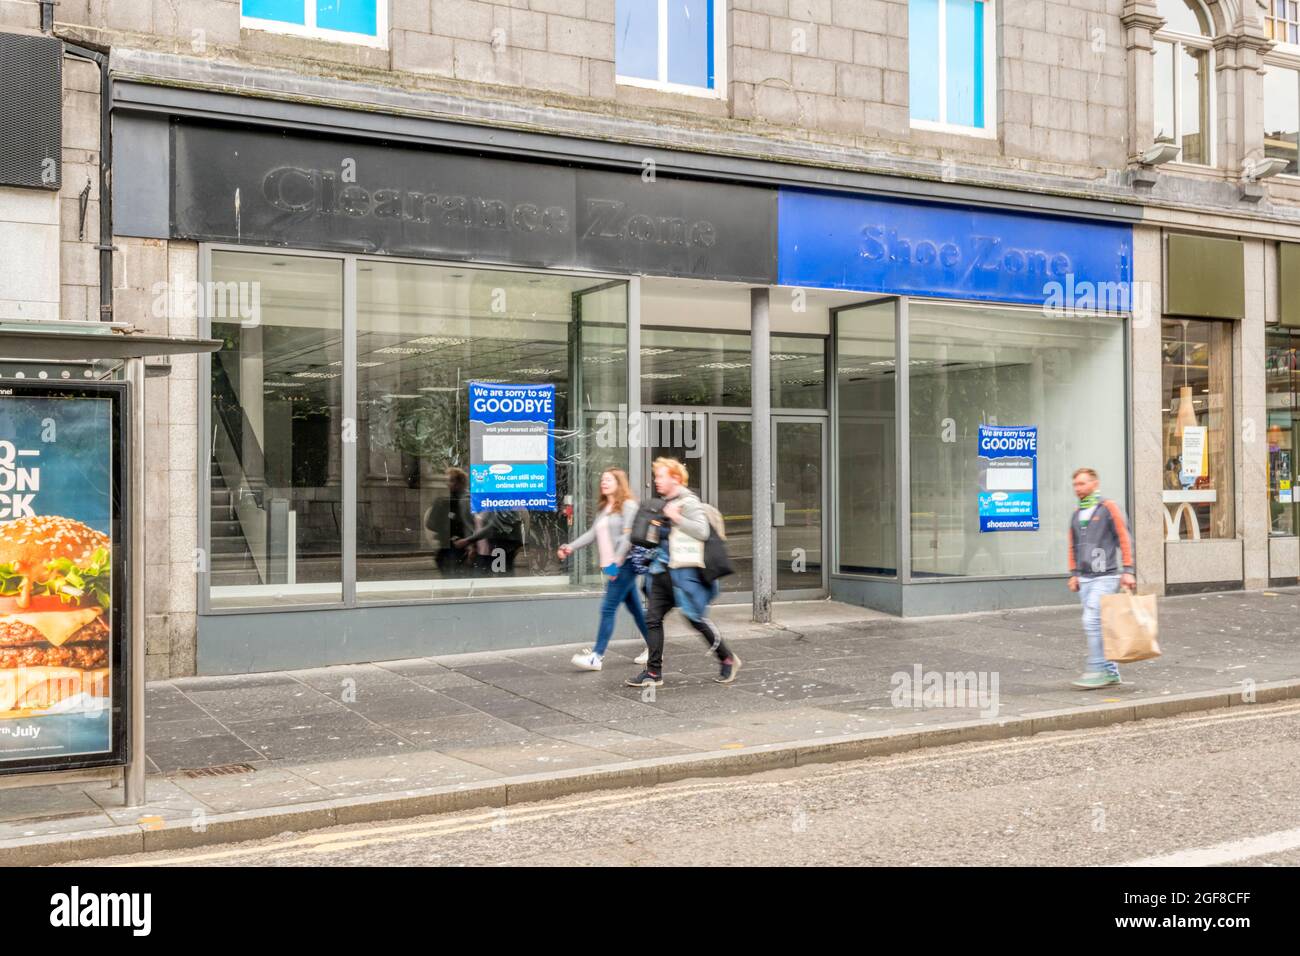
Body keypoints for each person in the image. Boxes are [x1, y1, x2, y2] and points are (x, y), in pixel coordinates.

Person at [626, 457, 740, 688]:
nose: (656, 481)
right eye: (656, 476)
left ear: (675, 478)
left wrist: (676, 517)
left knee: (694, 619)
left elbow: (702, 531)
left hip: (681, 574)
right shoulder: (664, 503)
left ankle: (727, 658)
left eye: (661, 476)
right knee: (653, 619)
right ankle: (653, 673)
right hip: (660, 571)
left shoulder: (689, 502)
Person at [558, 468, 650, 671]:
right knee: (635, 609)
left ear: (619, 483)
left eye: (609, 479)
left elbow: (628, 537)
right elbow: (593, 534)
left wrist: (616, 562)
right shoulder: (605, 507)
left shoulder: (628, 505)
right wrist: (571, 547)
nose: (604, 482)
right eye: (602, 479)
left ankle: (596, 656)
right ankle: (655, 647)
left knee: (608, 608)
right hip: (613, 565)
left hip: (623, 564)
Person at [1066, 466, 1135, 689]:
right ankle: (1111, 672)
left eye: (1082, 483)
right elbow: (1072, 546)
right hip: (1085, 578)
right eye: (1075, 484)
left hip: (1105, 576)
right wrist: (1074, 574)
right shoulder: (1077, 514)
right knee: (1101, 625)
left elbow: (1124, 538)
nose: (1078, 488)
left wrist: (1128, 570)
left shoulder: (1108, 508)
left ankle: (1096, 669)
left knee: (1091, 621)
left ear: (1095, 484)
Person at [426, 467, 472, 578]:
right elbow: (431, 524)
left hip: (460, 547)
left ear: (460, 483)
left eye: (451, 480)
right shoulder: (445, 502)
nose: (448, 484)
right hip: (451, 547)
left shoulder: (464, 501)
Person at [457, 507, 524, 576]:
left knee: (501, 580)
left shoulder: (502, 505)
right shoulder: (485, 505)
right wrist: (471, 547)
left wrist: (468, 540)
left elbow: (492, 528)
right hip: (482, 554)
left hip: (498, 552)